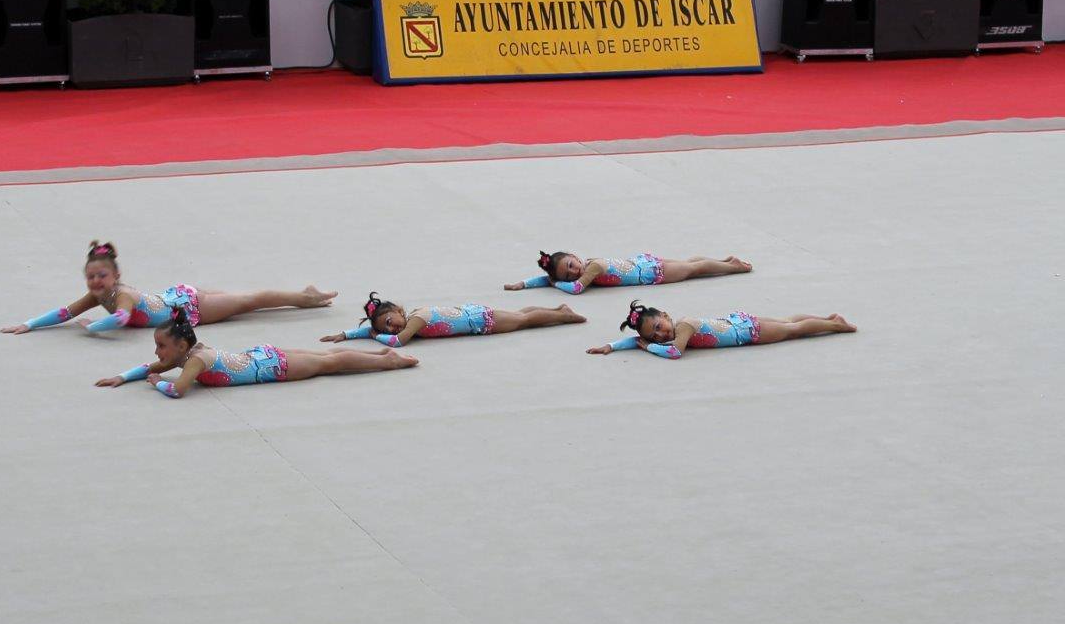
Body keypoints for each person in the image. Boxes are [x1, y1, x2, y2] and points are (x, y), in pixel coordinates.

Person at [0, 240, 337, 335]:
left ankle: (305, 297)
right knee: (243, 300)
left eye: (102, 276)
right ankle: (303, 295)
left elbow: (120, 319)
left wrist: (92, 327)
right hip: (175, 296)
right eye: (91, 277)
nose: (96, 282)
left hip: (187, 307)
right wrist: (29, 324)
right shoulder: (96, 295)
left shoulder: (123, 295)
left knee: (250, 301)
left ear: (116, 276)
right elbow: (65, 312)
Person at [96, 308, 418, 398]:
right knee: (323, 359)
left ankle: (387, 361)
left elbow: (178, 390)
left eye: (161, 346)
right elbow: (150, 366)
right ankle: (380, 357)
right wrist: (121, 377)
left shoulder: (194, 361)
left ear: (180, 346)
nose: (157, 352)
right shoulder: (186, 354)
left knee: (329, 363)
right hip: (263, 357)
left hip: (271, 367)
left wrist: (157, 383)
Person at [586, 300, 855, 359]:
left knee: (793, 329)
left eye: (658, 327)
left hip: (747, 333)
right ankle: (828, 317)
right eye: (653, 335)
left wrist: (650, 347)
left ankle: (834, 325)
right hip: (740, 322)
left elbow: (675, 352)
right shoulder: (673, 329)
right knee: (787, 320)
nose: (659, 335)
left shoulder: (684, 327)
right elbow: (637, 341)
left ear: (666, 316)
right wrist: (610, 347)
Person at [321, 291, 585, 347]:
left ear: (399, 311)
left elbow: (399, 342)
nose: (391, 328)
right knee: (519, 315)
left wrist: (376, 335)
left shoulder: (416, 320)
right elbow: (380, 331)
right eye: (385, 328)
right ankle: (557, 308)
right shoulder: (410, 317)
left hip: (480, 321)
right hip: (475, 315)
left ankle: (562, 315)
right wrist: (346, 334)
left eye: (389, 321)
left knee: (522, 321)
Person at [505, 249, 751, 294]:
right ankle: (724, 261)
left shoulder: (592, 268)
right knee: (689, 265)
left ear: (574, 256)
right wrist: (524, 284)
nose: (574, 272)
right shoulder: (586, 267)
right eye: (568, 274)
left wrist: (556, 283)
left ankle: (732, 267)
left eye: (571, 265)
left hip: (652, 272)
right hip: (644, 265)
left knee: (693, 269)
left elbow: (577, 289)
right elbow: (552, 278)